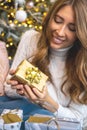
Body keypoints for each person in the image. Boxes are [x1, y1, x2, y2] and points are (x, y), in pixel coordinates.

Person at [4, 0, 87, 129]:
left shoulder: (83, 64)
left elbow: (78, 121)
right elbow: (8, 88)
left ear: (80, 33)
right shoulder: (30, 39)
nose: (60, 32)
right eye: (58, 21)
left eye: (72, 28)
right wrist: (22, 89)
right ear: (50, 17)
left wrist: (46, 100)